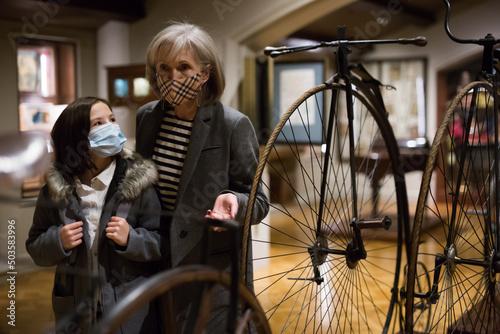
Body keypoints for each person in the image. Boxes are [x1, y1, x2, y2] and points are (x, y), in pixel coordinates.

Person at [136, 22, 269, 332]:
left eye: (184, 67)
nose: (173, 77)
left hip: (211, 264)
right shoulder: (147, 117)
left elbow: (259, 201)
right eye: (164, 67)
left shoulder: (232, 124)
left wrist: (232, 201)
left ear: (205, 73)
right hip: (158, 257)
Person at [26, 97, 163, 334]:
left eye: (112, 119)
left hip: (128, 311)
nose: (111, 126)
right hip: (76, 310)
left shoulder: (138, 185)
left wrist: (132, 239)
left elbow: (161, 242)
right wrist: (58, 240)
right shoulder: (53, 192)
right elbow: (35, 246)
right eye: (98, 123)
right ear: (76, 136)